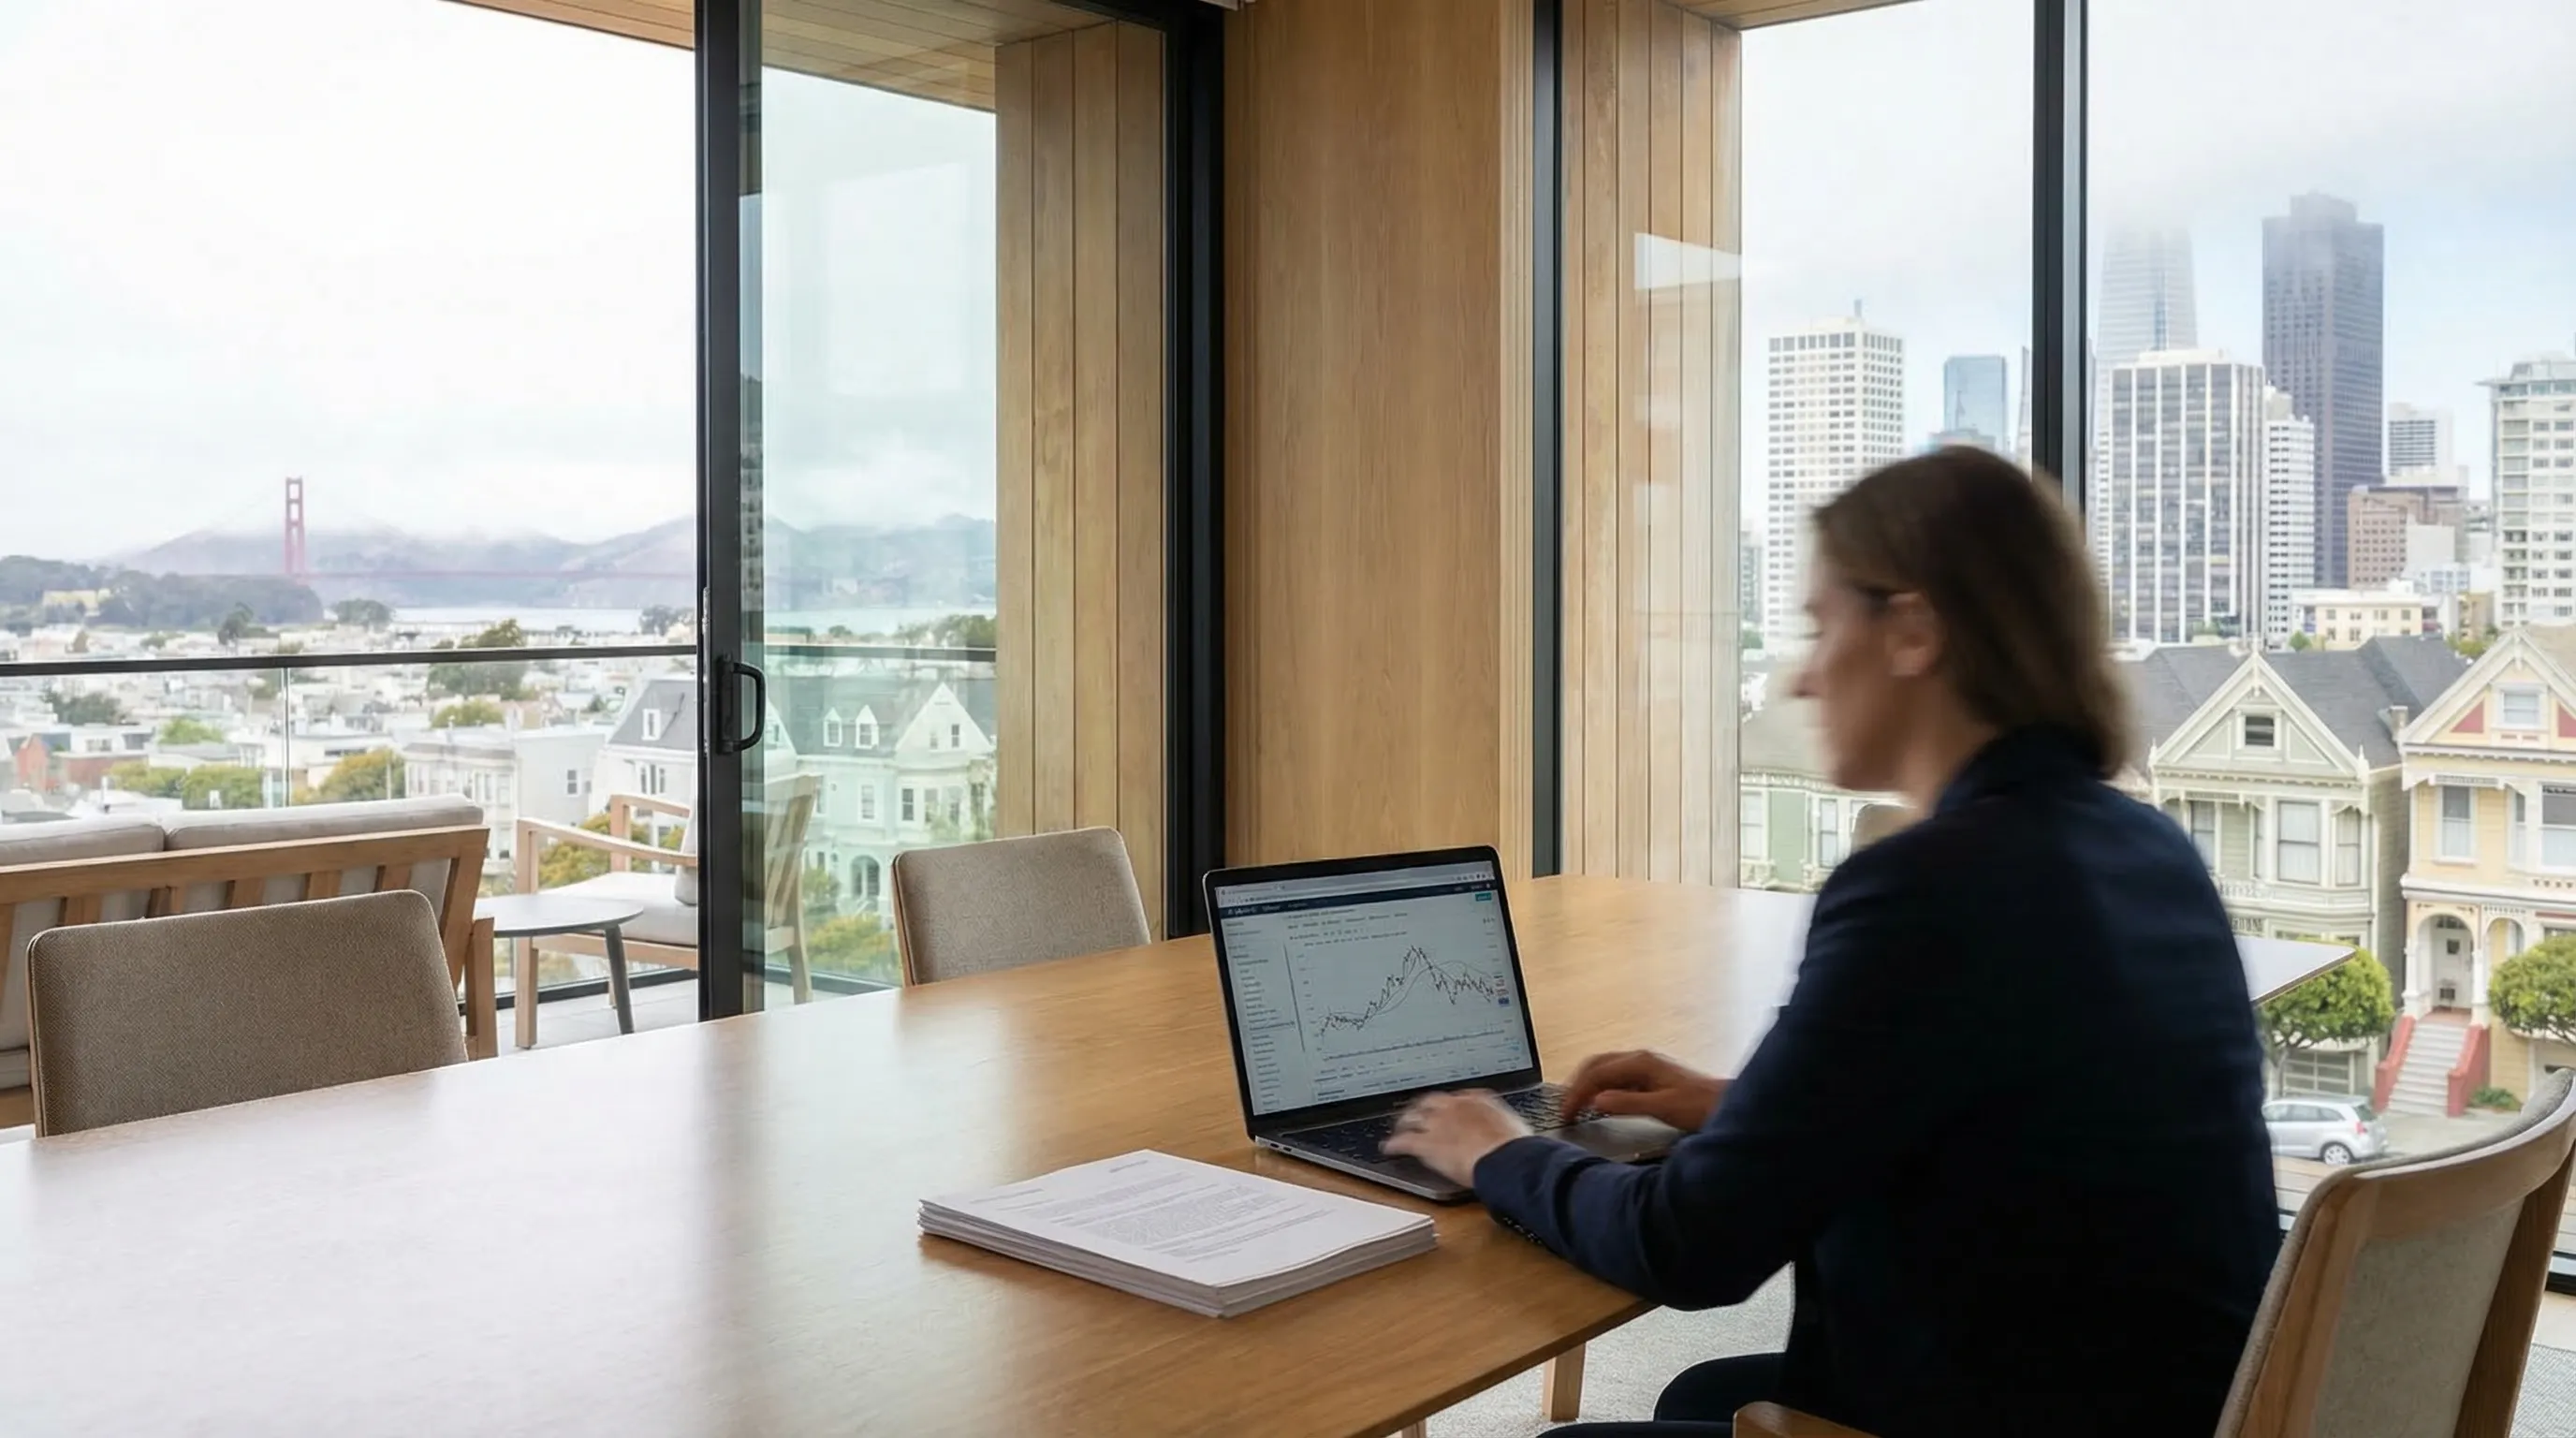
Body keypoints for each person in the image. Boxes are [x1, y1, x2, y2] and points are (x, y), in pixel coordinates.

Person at [1383, 448, 2279, 1437]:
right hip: (2165, 1402)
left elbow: (1689, 1249)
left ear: (1912, 629)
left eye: (1818, 626)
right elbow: (2027, 1121)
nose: (1803, 679)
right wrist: (1747, 1110)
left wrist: (1498, 1153)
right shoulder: (2145, 848)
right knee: (1701, 1398)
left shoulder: (1927, 885)